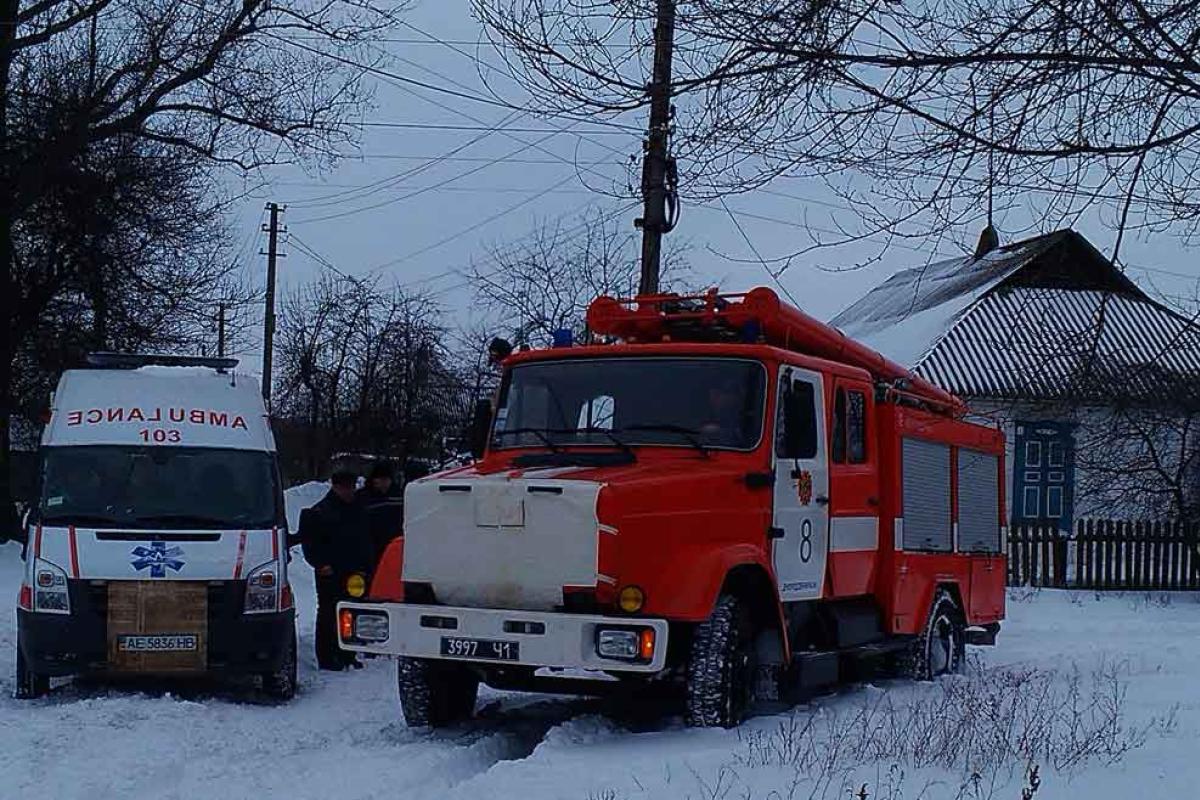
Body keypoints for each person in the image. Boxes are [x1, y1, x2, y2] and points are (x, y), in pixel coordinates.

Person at [298, 470, 374, 671]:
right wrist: (320, 564)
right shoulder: (321, 511)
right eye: (345, 487)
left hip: (353, 570)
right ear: (336, 487)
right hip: (330, 571)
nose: (349, 491)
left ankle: (347, 653)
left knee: (351, 611)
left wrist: (367, 565)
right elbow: (310, 542)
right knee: (328, 613)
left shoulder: (357, 509)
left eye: (351, 487)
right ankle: (327, 656)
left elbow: (364, 539)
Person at [356, 461, 404, 565]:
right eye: (380, 480)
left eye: (386, 480)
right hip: (370, 546)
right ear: (374, 480)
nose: (384, 483)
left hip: (394, 545)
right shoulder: (363, 497)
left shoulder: (398, 495)